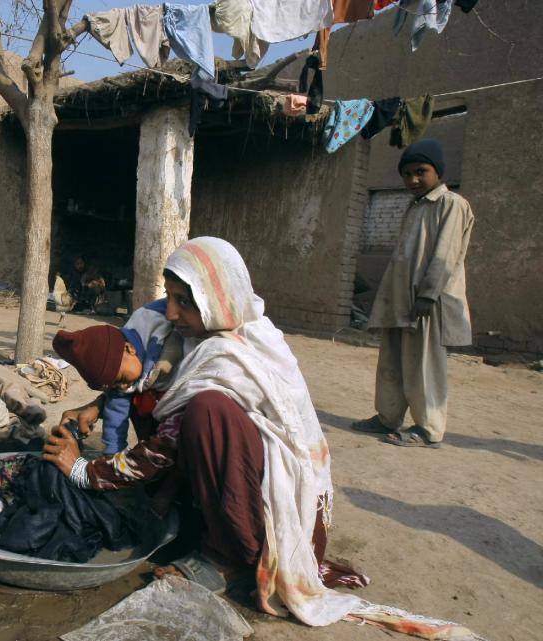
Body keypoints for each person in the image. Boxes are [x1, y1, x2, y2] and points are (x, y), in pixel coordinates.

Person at [44, 237, 364, 626]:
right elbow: (132, 376)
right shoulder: (187, 337)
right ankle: (209, 522)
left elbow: (165, 446)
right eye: (171, 298)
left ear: (217, 298)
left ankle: (232, 557)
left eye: (185, 301)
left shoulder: (236, 352)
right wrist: (96, 405)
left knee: (205, 410)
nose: (173, 313)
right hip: (226, 474)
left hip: (267, 491)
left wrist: (84, 471)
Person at [352, 139, 474, 448]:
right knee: (391, 360)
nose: (413, 180)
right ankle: (388, 417)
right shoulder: (415, 206)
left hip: (427, 302)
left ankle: (428, 428)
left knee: (423, 364)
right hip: (401, 300)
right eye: (407, 174)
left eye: (421, 171)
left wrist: (427, 295)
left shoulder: (450, 204)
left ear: (438, 172)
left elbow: (445, 255)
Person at [52, 299, 183, 454]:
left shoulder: (155, 319)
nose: (123, 387)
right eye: (113, 385)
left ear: (130, 349)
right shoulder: (122, 378)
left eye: (121, 379)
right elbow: (115, 416)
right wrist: (112, 453)